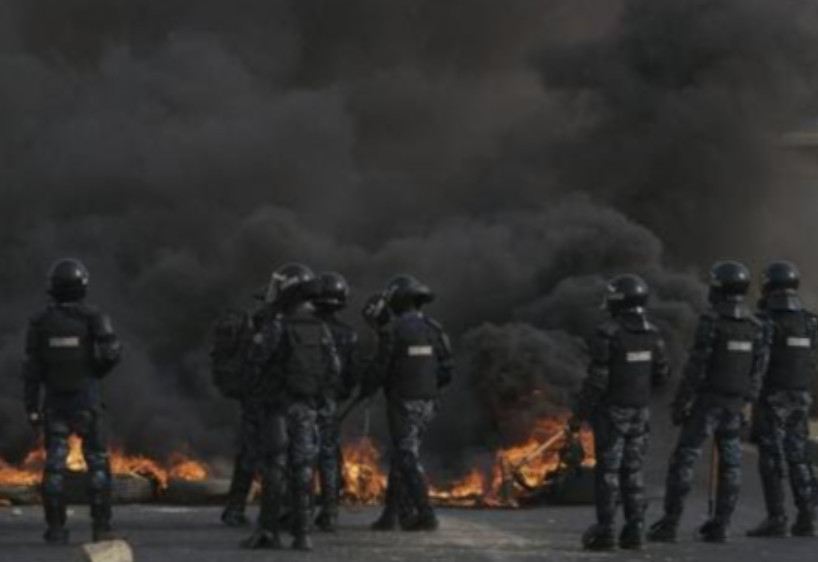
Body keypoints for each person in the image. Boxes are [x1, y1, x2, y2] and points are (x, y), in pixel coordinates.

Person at [648, 261, 769, 543]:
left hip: (707, 403)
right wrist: (746, 403)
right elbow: (757, 371)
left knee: (684, 460)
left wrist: (682, 403)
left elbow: (696, 368)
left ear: (719, 288)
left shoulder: (711, 322)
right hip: (735, 404)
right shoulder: (756, 327)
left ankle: (670, 523)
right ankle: (721, 525)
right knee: (732, 465)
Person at [241, 263, 340, 551]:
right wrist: (318, 397)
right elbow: (333, 369)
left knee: (275, 467)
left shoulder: (277, 325)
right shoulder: (320, 327)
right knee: (304, 468)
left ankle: (268, 531)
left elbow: (255, 361)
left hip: (278, 407)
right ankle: (303, 534)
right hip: (307, 407)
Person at [23, 258, 123, 544]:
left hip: (54, 403)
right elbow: (113, 352)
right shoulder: (94, 318)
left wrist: (31, 408)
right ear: (83, 286)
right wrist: (94, 373)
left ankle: (56, 529)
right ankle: (101, 527)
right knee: (98, 465)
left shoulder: (40, 323)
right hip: (86, 400)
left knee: (54, 467)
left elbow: (31, 370)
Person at [570, 274, 670, 550]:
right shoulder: (653, 334)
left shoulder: (608, 333)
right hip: (640, 412)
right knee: (634, 471)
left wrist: (579, 414)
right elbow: (661, 375)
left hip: (613, 413)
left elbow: (597, 382)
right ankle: (635, 529)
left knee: (609, 473)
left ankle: (606, 531)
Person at [362, 275, 454, 532]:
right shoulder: (434, 329)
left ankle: (426, 513)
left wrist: (366, 389)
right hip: (428, 404)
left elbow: (381, 368)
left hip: (403, 403)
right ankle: (391, 515)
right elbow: (447, 369)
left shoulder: (392, 331)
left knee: (406, 455)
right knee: (402, 456)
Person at [747, 261, 817, 537]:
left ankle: (777, 518)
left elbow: (759, 363)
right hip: (801, 396)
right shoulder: (809, 321)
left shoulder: (765, 321)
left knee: (772, 458)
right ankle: (807, 517)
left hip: (773, 397)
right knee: (799, 457)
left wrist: (749, 397)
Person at [218, 277, 281, 527]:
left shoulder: (256, 323)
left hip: (255, 398)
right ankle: (274, 512)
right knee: (275, 456)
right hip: (269, 399)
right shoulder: (271, 325)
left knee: (249, 454)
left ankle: (235, 508)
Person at [312, 272, 359, 532]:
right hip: (330, 401)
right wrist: (339, 394)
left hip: (302, 399)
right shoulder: (348, 334)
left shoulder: (303, 328)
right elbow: (353, 374)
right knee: (328, 455)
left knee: (300, 455)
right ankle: (330, 512)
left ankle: (299, 510)